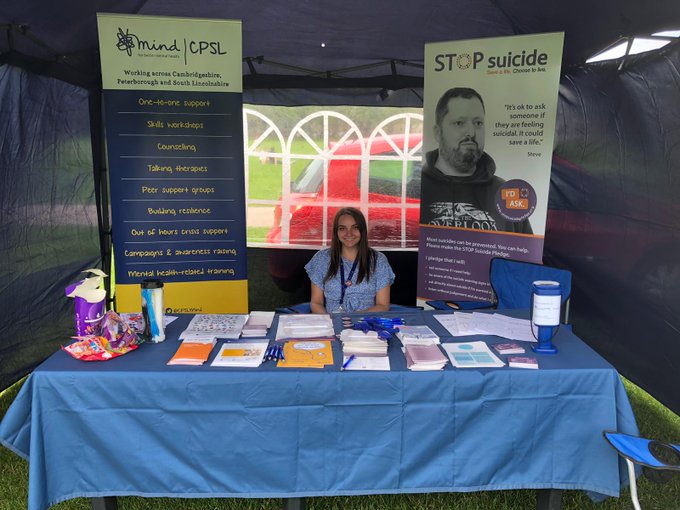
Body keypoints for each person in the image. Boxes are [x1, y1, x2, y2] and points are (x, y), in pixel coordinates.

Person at [420, 87, 532, 233]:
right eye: (459, 123)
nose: (471, 132)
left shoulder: (506, 194)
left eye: (478, 123)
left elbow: (524, 253)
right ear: (437, 133)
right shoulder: (419, 187)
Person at [305, 207, 395, 313]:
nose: (349, 233)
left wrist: (352, 320)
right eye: (342, 228)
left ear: (362, 230)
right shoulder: (321, 259)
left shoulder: (378, 260)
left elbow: (383, 305)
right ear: (336, 232)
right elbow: (316, 303)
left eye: (355, 227)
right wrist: (330, 322)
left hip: (366, 325)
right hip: (332, 324)